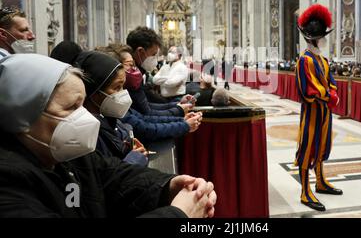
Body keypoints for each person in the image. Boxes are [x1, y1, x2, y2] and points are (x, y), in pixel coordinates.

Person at [0, 54, 217, 217]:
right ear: (23, 117)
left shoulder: (64, 156)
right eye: (70, 108)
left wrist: (169, 186)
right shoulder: (8, 184)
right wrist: (179, 214)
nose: (85, 116)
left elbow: (112, 177)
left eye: (82, 105)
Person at [294, 4, 342, 212]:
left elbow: (331, 81)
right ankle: (305, 190)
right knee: (307, 147)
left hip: (325, 112)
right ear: (313, 38)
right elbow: (307, 89)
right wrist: (328, 95)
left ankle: (320, 181)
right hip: (312, 112)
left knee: (322, 146)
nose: (324, 39)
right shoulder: (304, 60)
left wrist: (333, 93)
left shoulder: (322, 59)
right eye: (321, 36)